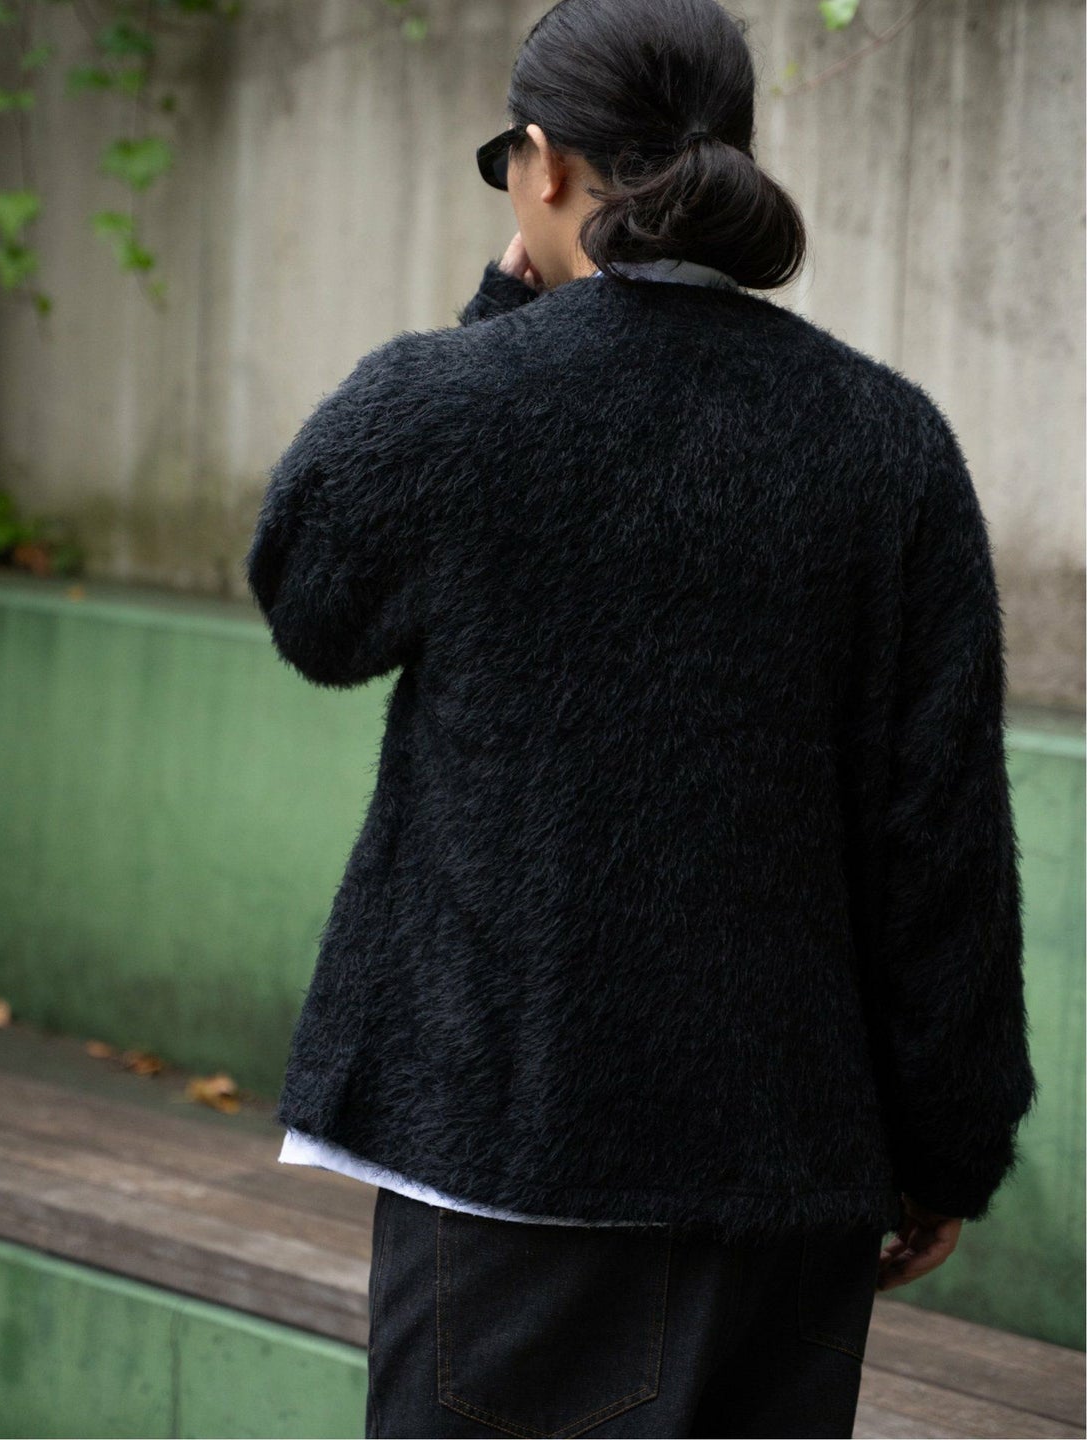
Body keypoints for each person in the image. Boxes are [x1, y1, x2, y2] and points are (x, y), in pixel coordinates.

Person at [244, 0, 1039, 1434]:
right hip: (793, 1192)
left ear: (541, 161)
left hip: (510, 1175)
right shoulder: (892, 442)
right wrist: (947, 1148)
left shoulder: (458, 405)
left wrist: (498, 325)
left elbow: (311, 601)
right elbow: (942, 846)